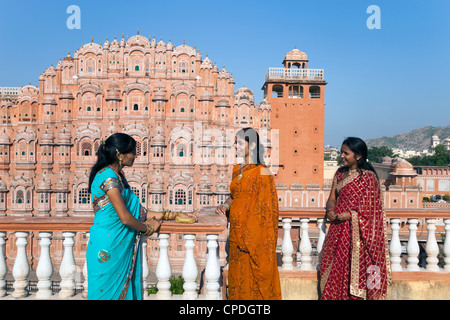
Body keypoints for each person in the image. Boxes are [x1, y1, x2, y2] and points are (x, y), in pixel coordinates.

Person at [86, 133, 162, 300]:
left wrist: (171, 215)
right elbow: (125, 218)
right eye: (133, 152)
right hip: (108, 247)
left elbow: (140, 212)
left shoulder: (118, 177)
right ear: (120, 154)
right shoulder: (108, 177)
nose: (135, 155)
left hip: (115, 244)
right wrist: (148, 228)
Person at [320, 137, 392, 300]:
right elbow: (332, 197)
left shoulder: (368, 178)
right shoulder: (339, 173)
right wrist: (330, 209)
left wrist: (349, 215)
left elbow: (372, 210)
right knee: (335, 270)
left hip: (361, 235)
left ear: (358, 156)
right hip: (338, 230)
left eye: (346, 153)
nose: (342, 156)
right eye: (341, 153)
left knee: (359, 271)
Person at [216, 127, 281, 300]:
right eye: (235, 143)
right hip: (236, 237)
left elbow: (268, 211)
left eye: (239, 143)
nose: (235, 146)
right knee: (238, 281)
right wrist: (226, 205)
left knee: (254, 283)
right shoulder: (237, 169)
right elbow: (235, 195)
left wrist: (250, 236)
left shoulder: (263, 172)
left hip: (253, 240)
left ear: (251, 146)